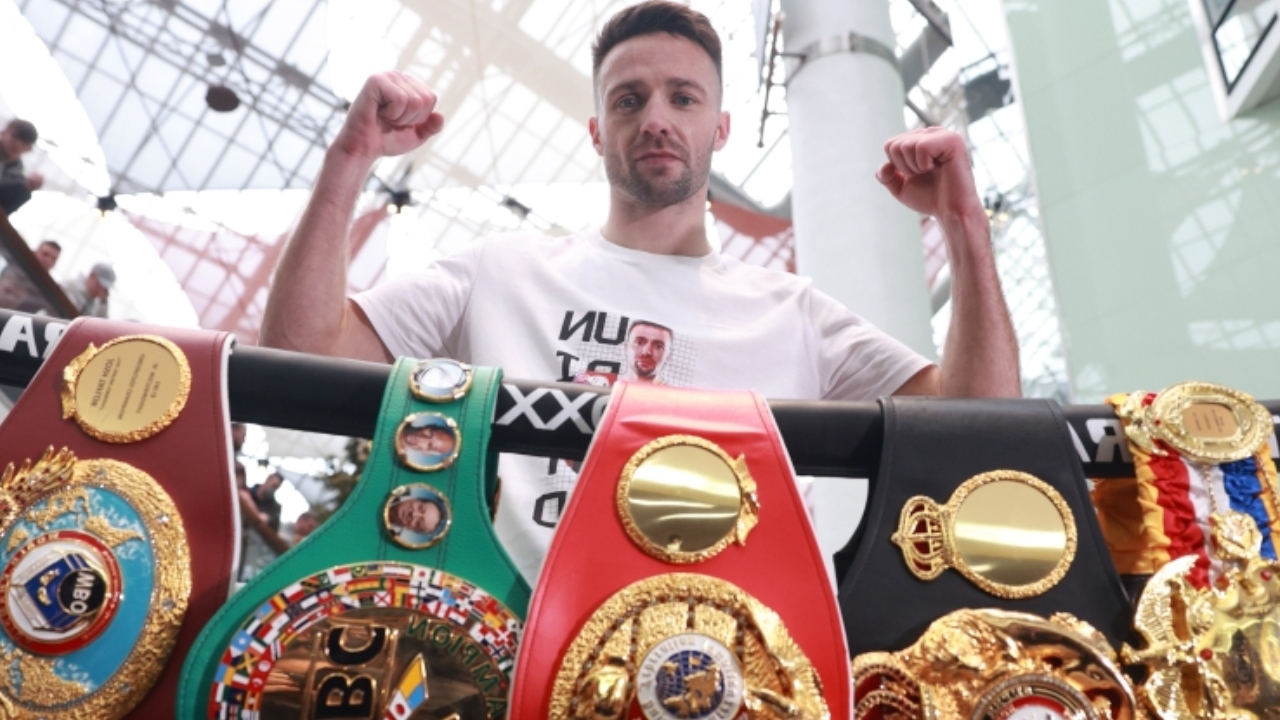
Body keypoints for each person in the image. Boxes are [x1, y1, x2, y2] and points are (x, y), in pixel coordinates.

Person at [259, 1, 1020, 582]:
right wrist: (350, 157)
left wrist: (963, 225)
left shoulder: (795, 314)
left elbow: (983, 427)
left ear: (720, 128)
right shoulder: (501, 272)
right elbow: (299, 354)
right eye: (629, 100)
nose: (656, 119)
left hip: (749, 672)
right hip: (541, 659)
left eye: (683, 98)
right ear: (597, 131)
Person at [0, 120, 43, 214]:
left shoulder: (18, 178)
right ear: (3, 133)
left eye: (25, 142)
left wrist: (26, 187)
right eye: (15, 136)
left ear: (29, 149)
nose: (18, 144)